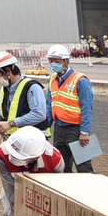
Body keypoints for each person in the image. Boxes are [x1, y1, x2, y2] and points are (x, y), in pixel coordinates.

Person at [0, 126, 64, 216]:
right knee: (9, 215)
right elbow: (10, 189)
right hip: (14, 186)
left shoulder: (54, 159)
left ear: (36, 157)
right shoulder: (1, 155)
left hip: (43, 190)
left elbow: (57, 190)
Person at [44, 44, 94, 173]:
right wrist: (45, 127)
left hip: (76, 130)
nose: (53, 63)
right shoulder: (53, 79)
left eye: (57, 61)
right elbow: (50, 105)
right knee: (61, 167)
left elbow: (87, 108)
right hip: (59, 129)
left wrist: (84, 132)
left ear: (66, 61)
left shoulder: (80, 80)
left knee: (84, 167)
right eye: (51, 60)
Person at [0, 51, 49, 138]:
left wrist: (11, 123)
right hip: (14, 140)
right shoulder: (4, 88)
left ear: (8, 71)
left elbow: (39, 114)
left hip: (33, 140)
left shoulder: (31, 87)